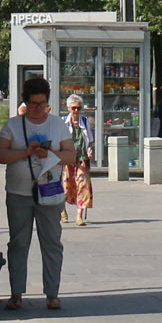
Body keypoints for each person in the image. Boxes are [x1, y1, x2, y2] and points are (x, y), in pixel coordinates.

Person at [0, 76, 76, 311]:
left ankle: (52, 294)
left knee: (52, 243)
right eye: (33, 104)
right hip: (18, 193)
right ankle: (16, 293)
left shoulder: (57, 125)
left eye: (42, 104)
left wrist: (51, 155)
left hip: (49, 192)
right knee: (18, 243)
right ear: (25, 102)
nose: (38, 109)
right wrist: (25, 152)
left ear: (48, 103)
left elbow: (71, 156)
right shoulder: (13, 125)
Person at [61, 93, 94, 228]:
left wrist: (89, 150)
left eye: (78, 108)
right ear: (68, 108)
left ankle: (79, 216)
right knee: (66, 186)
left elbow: (90, 140)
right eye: (73, 108)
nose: (76, 111)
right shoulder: (63, 122)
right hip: (67, 159)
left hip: (82, 159)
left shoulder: (85, 122)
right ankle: (62, 209)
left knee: (83, 185)